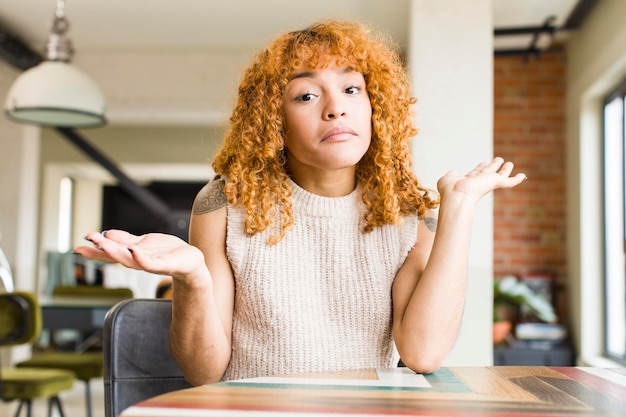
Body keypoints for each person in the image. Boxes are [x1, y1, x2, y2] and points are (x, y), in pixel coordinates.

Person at [74, 20, 526, 384]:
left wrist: (459, 209)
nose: (336, 109)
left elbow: (423, 353)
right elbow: (204, 371)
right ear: (274, 122)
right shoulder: (224, 202)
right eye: (306, 95)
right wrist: (192, 276)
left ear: (375, 107)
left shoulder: (408, 214)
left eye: (352, 89)